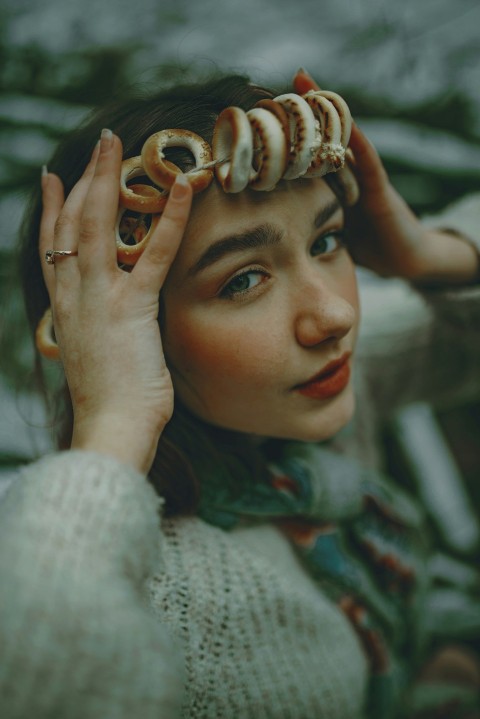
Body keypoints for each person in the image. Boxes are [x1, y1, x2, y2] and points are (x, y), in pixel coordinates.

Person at [0, 71, 479, 719]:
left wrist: (435, 254)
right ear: (129, 337)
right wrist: (114, 423)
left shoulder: (320, 383)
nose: (332, 314)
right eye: (243, 280)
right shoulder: (162, 588)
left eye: (327, 239)